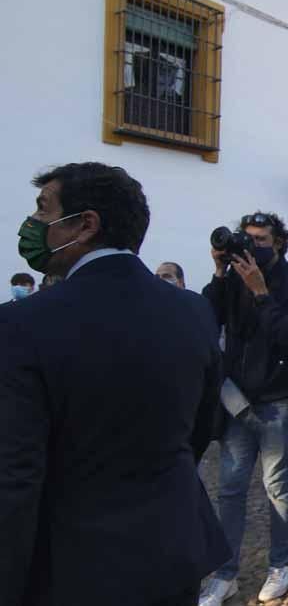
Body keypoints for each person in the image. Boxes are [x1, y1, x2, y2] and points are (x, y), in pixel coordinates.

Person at [0, 162, 229, 606]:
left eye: (44, 211)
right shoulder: (193, 311)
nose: (33, 225)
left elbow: (14, 475)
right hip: (173, 547)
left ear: (85, 224)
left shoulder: (20, 324)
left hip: (74, 567)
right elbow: (199, 431)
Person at [199, 212, 288, 606]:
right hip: (238, 399)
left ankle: (281, 564)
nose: (252, 246)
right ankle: (224, 573)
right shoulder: (231, 277)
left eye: (261, 240)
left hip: (280, 399)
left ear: (279, 242)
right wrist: (218, 273)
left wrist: (262, 293)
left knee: (278, 486)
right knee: (230, 488)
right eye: (247, 239)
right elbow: (205, 319)